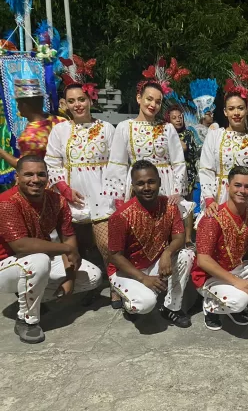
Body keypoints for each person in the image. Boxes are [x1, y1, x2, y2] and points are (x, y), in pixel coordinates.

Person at [0, 155, 102, 343]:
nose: (35, 179)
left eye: (41, 174)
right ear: (17, 177)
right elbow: (20, 244)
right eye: (28, 174)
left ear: (47, 177)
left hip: (39, 258)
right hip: (7, 266)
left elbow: (68, 237)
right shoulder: (6, 202)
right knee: (39, 260)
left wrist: (70, 277)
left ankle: (33, 298)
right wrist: (64, 249)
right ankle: (27, 320)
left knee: (92, 276)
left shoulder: (57, 201)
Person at [45, 82, 120, 306]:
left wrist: (116, 194)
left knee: (107, 245)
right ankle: (91, 284)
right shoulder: (60, 130)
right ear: (65, 105)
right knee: (81, 245)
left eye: (81, 99)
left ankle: (116, 286)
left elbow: (117, 163)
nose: (77, 104)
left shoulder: (107, 128)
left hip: (102, 193)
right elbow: (52, 161)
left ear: (90, 100)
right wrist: (64, 189)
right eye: (72, 101)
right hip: (73, 196)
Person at [107, 160, 195, 326]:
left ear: (160, 182)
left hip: (155, 261)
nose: (146, 188)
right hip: (126, 271)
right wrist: (143, 278)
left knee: (186, 254)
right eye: (140, 184)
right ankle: (129, 302)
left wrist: (167, 253)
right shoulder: (121, 216)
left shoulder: (169, 206)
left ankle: (172, 308)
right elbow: (114, 256)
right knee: (146, 304)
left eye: (151, 182)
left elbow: (179, 237)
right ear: (133, 186)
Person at [103, 81, 194, 240]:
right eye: (149, 99)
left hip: (165, 186)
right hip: (137, 187)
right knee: (139, 235)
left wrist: (177, 191)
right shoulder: (125, 127)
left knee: (165, 234)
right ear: (139, 98)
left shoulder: (167, 128)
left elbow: (178, 162)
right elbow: (118, 164)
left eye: (158, 102)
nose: (153, 105)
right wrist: (118, 198)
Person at [198, 61, 248, 230]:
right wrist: (209, 198)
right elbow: (206, 170)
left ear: (247, 109)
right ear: (225, 112)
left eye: (240, 108)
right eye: (231, 109)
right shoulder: (214, 136)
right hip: (222, 197)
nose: (236, 113)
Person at [191, 166, 248, 331]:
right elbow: (203, 261)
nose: (242, 190)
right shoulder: (212, 217)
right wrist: (238, 282)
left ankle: (232, 300)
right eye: (237, 185)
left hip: (237, 269)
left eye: (247, 187)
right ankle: (210, 307)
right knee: (240, 301)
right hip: (209, 277)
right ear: (227, 186)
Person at [0, 79, 65, 168]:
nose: (18, 107)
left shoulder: (30, 137)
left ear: (24, 105)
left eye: (18, 104)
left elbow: (23, 166)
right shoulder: (60, 120)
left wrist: (2, 153)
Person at [164, 104, 196, 247]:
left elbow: (184, 148)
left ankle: (188, 238)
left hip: (187, 174)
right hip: (170, 174)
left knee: (187, 205)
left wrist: (172, 136)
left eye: (180, 117)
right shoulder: (165, 133)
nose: (178, 120)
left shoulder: (188, 134)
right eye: (174, 118)